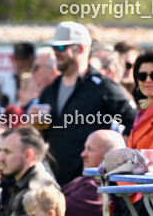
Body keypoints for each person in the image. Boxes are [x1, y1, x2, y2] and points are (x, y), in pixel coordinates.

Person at [34, 22, 136, 186]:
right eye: (54, 48)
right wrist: (36, 124)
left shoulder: (101, 87)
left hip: (89, 184)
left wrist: (115, 154)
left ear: (80, 49)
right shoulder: (50, 90)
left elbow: (134, 119)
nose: (55, 53)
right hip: (54, 181)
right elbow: (42, 135)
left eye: (61, 48)